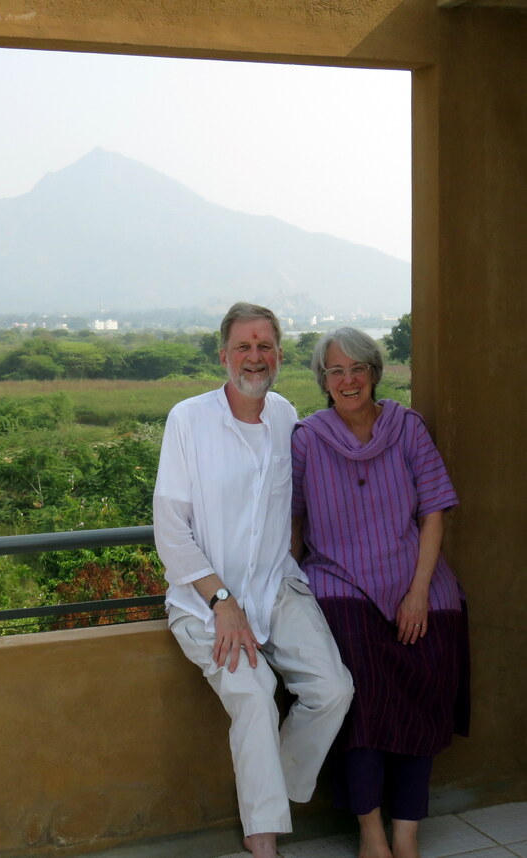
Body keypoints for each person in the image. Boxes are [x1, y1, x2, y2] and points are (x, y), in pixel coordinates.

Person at [153, 302, 354, 858]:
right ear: (223, 355)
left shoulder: (287, 416)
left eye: (265, 345)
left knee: (333, 690)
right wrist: (220, 599)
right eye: (243, 345)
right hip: (206, 600)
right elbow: (169, 526)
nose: (254, 356)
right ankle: (261, 837)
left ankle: (270, 793)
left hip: (276, 586)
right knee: (254, 691)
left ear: (280, 357)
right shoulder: (188, 419)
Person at [290, 327, 469, 858]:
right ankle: (371, 829)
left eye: (357, 369)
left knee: (426, 686)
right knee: (360, 693)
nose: (348, 380)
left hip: (416, 580)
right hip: (339, 580)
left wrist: (417, 593)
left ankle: (406, 831)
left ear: (375, 373)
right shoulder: (307, 437)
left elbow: (433, 511)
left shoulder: (407, 427)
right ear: (323, 380)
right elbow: (294, 520)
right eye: (335, 371)